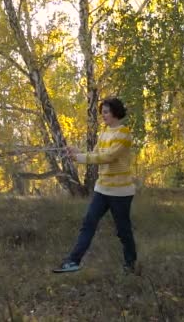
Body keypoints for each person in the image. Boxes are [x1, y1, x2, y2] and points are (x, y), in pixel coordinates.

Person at [53, 97, 138, 274]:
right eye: (102, 112)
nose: (103, 116)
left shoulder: (124, 134)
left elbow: (108, 157)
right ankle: (73, 261)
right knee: (88, 223)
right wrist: (78, 152)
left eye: (106, 112)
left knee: (123, 231)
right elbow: (96, 154)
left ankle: (131, 264)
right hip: (102, 189)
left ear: (115, 112)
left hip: (121, 192)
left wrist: (81, 158)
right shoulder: (104, 132)